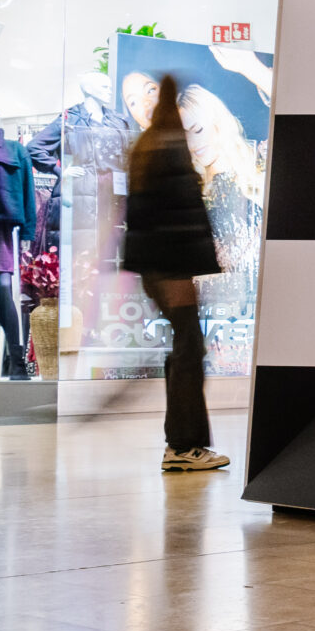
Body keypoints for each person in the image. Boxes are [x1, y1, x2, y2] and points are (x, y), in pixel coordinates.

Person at [122, 73, 228, 473]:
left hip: (163, 268)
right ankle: (185, 445)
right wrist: (181, 276)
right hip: (171, 270)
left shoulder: (150, 147)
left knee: (186, 351)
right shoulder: (167, 146)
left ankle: (182, 443)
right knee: (189, 351)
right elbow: (178, 221)